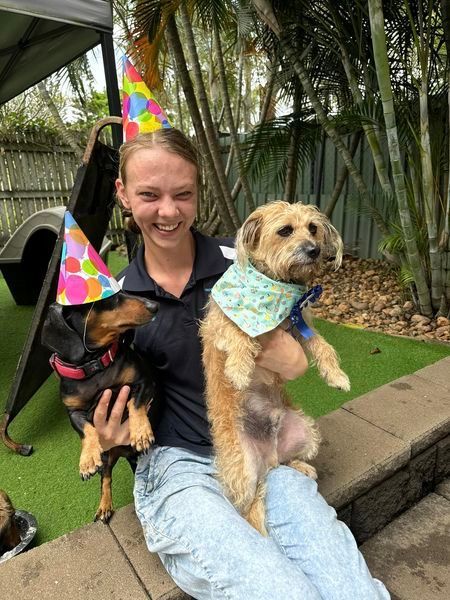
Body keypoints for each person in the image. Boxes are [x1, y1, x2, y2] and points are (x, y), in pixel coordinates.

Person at [93, 128, 390, 600]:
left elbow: (294, 326)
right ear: (123, 195)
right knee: (279, 590)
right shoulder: (115, 301)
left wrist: (296, 359)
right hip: (178, 464)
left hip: (265, 448)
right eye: (149, 194)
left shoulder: (248, 263)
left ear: (197, 195)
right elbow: (103, 390)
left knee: (349, 587)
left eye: (182, 194)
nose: (168, 211)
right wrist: (112, 434)